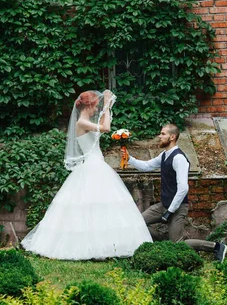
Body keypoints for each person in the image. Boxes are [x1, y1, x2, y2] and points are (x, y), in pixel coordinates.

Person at [21, 90, 152, 260]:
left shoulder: (87, 122)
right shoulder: (82, 122)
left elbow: (103, 126)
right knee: (90, 206)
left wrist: (106, 106)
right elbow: (106, 128)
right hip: (92, 166)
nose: (96, 109)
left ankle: (107, 245)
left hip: (97, 164)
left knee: (102, 207)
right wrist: (107, 104)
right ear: (89, 105)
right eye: (95, 106)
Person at [127, 123, 227, 262]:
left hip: (178, 207)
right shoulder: (164, 155)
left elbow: (183, 188)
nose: (159, 136)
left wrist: (170, 211)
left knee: (177, 245)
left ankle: (216, 247)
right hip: (164, 205)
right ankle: (166, 243)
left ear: (172, 137)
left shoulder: (179, 158)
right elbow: (147, 166)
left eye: (163, 134)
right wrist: (129, 158)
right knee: (137, 224)